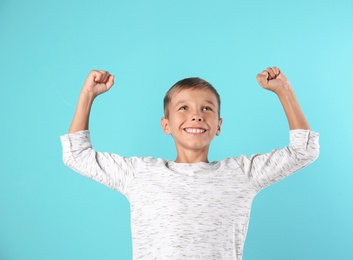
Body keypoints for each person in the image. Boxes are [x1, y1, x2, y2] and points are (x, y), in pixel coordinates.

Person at [60, 67, 320, 259]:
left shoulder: (240, 174)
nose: (196, 115)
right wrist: (87, 95)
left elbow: (303, 150)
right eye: (183, 108)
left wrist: (284, 91)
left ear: (218, 126)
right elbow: (77, 155)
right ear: (166, 125)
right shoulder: (140, 174)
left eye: (206, 109)